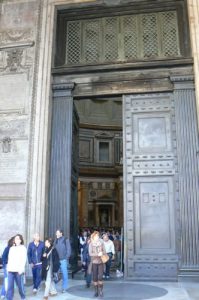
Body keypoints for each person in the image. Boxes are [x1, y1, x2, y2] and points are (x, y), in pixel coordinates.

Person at [6, 234, 27, 300]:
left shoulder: (23, 248)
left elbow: (24, 259)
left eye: (18, 238)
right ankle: (9, 298)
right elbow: (9, 259)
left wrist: (22, 269)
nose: (16, 240)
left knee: (20, 286)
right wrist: (8, 268)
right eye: (15, 239)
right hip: (11, 270)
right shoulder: (11, 248)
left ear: (20, 240)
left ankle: (23, 297)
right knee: (10, 286)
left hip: (18, 270)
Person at [89, 231, 106, 298]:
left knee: (100, 277)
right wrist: (97, 254)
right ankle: (96, 291)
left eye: (98, 236)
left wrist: (102, 253)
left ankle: (101, 291)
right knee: (95, 278)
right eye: (96, 236)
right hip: (94, 262)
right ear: (93, 237)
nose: (97, 237)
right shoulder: (91, 244)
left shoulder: (102, 243)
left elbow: (104, 251)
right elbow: (90, 253)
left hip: (101, 262)